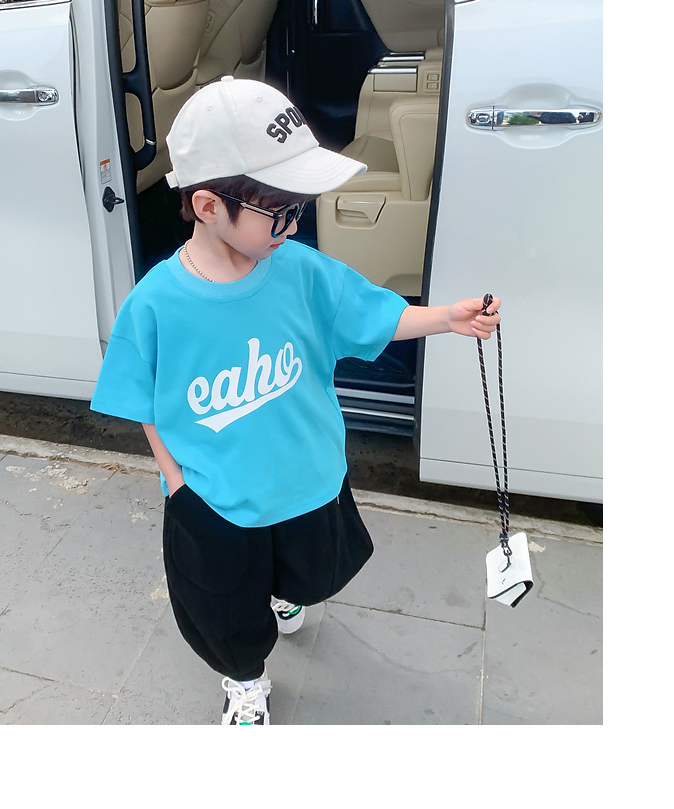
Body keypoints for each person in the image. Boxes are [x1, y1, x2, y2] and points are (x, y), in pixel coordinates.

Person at [90, 76, 501, 725]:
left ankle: (284, 591)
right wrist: (177, 483)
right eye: (277, 211)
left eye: (298, 209)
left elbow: (372, 314)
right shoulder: (156, 306)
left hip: (307, 480)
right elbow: (143, 401)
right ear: (207, 205)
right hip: (216, 498)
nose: (292, 224)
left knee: (310, 571)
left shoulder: (301, 271)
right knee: (222, 605)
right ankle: (244, 679)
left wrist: (446, 317)